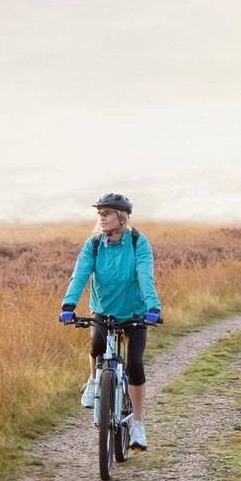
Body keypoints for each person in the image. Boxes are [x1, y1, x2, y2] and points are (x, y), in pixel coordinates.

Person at [59, 193, 162, 450]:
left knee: (136, 363)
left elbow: (145, 275)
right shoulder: (93, 245)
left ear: (122, 217)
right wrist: (68, 305)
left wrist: (153, 307)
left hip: (135, 312)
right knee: (96, 346)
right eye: (100, 214)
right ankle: (94, 380)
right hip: (103, 310)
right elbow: (80, 276)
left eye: (107, 214)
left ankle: (137, 425)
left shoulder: (138, 242)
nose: (102, 218)